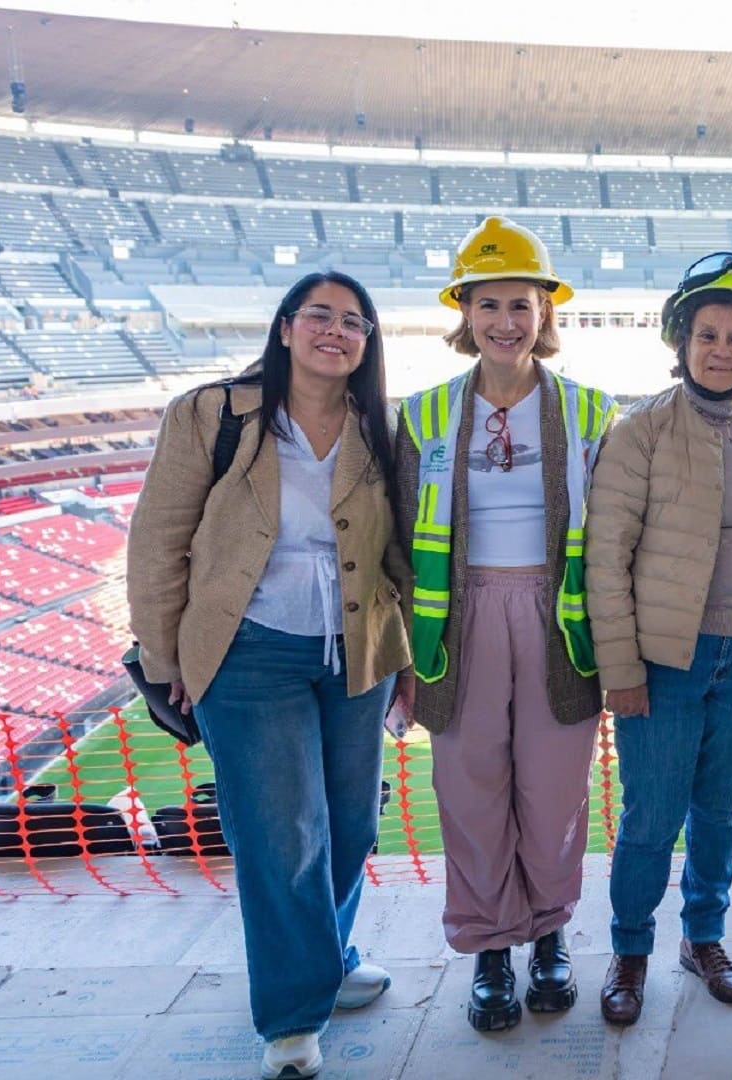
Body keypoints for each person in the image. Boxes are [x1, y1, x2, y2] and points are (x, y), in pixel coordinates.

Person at [128, 270, 409, 1080]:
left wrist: (412, 660)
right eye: (319, 315)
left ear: (367, 342)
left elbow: (398, 552)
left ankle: (328, 957)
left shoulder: (381, 427)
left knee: (351, 824)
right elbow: (158, 540)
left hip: (356, 650)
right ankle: (291, 1018)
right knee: (282, 836)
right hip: (248, 651)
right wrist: (166, 658)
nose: (336, 331)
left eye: (353, 321)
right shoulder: (212, 414)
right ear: (285, 328)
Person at [391, 216, 616, 1033]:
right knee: (469, 789)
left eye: (521, 303)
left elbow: (614, 537)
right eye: (488, 304)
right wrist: (404, 657)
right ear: (465, 311)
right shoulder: (423, 415)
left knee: (554, 793)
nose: (505, 321)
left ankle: (549, 935)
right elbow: (396, 541)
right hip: (459, 627)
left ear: (544, 311)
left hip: (560, 623)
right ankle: (491, 947)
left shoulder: (592, 412)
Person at [585, 252, 732, 1025]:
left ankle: (704, 939)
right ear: (682, 342)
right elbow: (606, 557)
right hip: (665, 661)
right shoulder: (639, 430)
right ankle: (630, 949)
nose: (722, 350)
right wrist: (621, 669)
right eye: (708, 334)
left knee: (721, 811)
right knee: (650, 817)